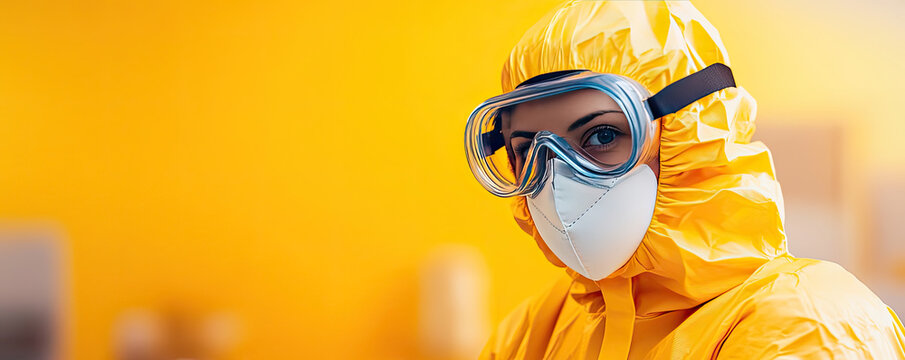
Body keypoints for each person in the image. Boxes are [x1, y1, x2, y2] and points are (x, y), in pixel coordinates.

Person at [463, 1, 905, 359]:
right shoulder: (534, 333)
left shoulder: (807, 327)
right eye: (527, 150)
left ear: (687, 134)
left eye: (601, 135)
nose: (557, 180)